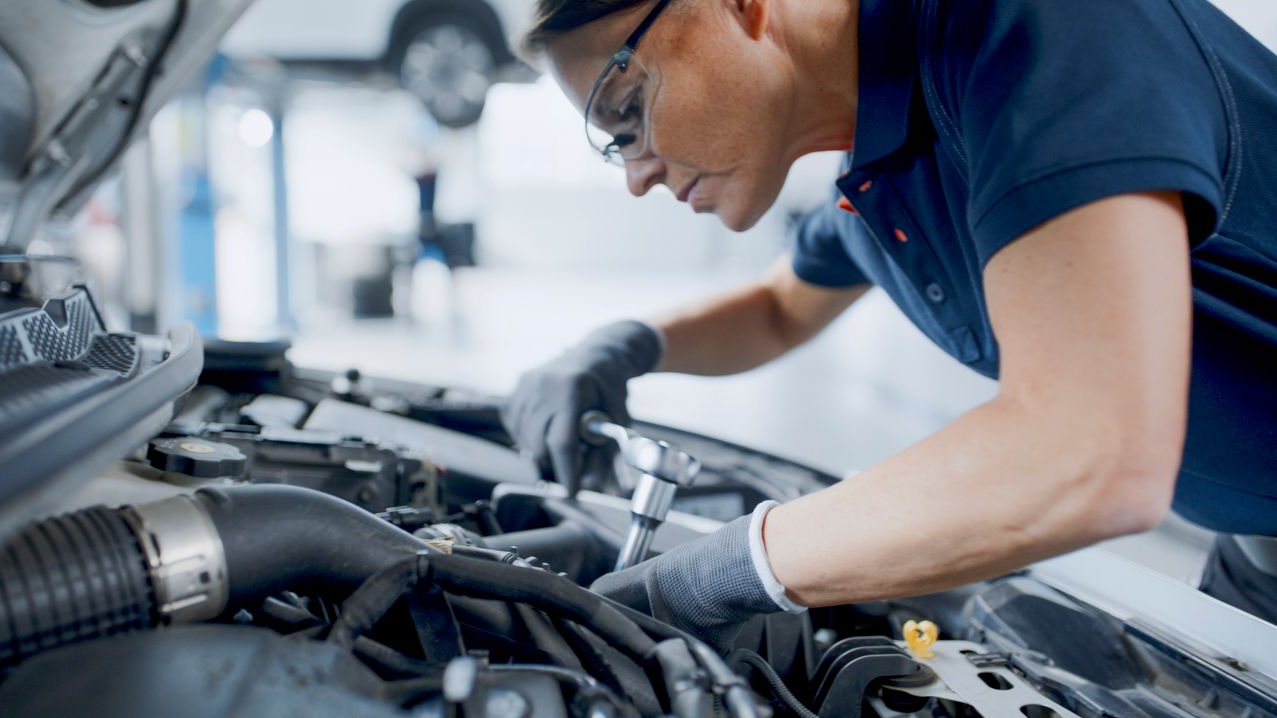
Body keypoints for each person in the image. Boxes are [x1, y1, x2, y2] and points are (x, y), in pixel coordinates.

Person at [500, 0, 1277, 645]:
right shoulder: (885, 168)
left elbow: (1085, 451)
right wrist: (619, 348)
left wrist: (721, 572)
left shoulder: (1036, 31)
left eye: (627, 111)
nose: (636, 175)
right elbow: (776, 310)